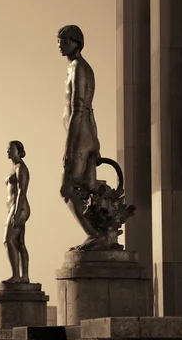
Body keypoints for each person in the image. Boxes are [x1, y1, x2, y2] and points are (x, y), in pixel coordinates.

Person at [57, 25, 102, 249]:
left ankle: (94, 235)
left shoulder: (78, 68)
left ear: (76, 42)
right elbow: (90, 110)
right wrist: (96, 140)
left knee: (67, 189)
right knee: (85, 189)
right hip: (85, 135)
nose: (59, 45)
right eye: (59, 40)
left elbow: (79, 109)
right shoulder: (78, 67)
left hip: (79, 137)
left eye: (64, 41)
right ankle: (98, 236)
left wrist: (69, 147)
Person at [3, 140, 31, 284]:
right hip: (14, 207)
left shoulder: (21, 168)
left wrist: (17, 211)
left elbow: (22, 191)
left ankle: (16, 275)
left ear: (18, 151)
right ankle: (24, 275)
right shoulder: (13, 168)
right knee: (20, 242)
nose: (7, 151)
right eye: (7, 149)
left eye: (10, 149)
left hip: (19, 207)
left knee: (8, 240)